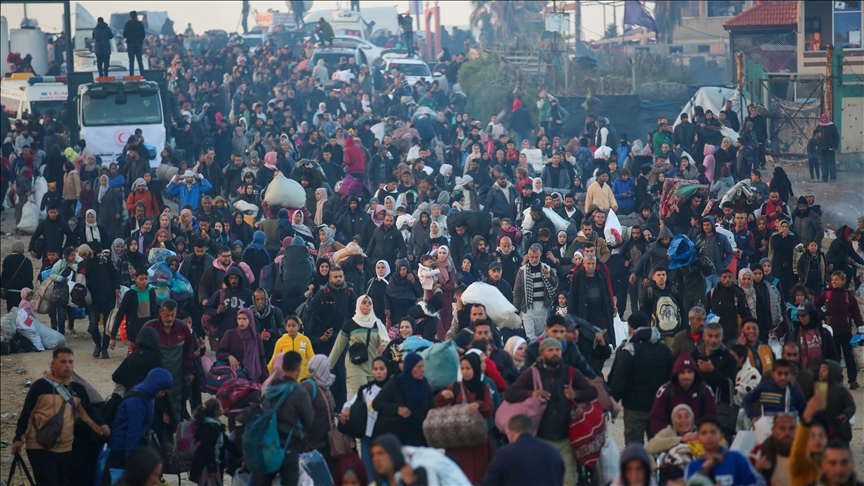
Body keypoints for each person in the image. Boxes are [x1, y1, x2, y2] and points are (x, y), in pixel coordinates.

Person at [503, 338, 598, 486]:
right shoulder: (532, 373)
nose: (554, 353)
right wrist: (531, 394)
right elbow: (509, 393)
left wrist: (576, 394)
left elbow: (592, 392)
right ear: (541, 354)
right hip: (541, 439)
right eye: (550, 350)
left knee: (569, 480)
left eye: (557, 350)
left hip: (566, 439)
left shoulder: (571, 373)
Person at [12, 347, 110, 486]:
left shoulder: (77, 390)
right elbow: (27, 414)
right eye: (63, 362)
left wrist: (101, 427)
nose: (68, 366)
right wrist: (19, 439)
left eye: (70, 362)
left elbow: (88, 413)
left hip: (65, 448)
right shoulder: (40, 386)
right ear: (53, 364)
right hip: (39, 446)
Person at [609, 312, 673, 445]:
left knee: (634, 449)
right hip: (659, 407)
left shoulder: (629, 350)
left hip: (634, 408)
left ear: (630, 327)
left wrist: (612, 403)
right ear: (649, 325)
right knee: (659, 448)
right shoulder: (664, 349)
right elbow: (671, 379)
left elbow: (619, 380)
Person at [102, 368, 173, 485]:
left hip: (126, 446)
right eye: (163, 391)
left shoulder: (146, 394)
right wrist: (131, 460)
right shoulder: (137, 401)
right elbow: (133, 432)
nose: (163, 394)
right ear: (155, 387)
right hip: (121, 448)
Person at [433, 353, 494, 482]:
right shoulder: (454, 387)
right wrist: (442, 396)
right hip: (458, 440)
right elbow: (440, 408)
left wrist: (479, 404)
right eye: (462, 368)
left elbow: (489, 410)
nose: (465, 372)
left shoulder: (483, 388)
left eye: (468, 368)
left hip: (477, 442)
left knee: (478, 477)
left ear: (475, 369)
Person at [257, 351, 315, 485]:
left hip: (269, 443)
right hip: (289, 444)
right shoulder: (299, 392)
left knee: (265, 480)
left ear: (282, 367)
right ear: (299, 368)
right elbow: (309, 419)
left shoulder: (271, 388)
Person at [140, 300, 196, 429]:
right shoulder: (149, 327)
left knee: (175, 409)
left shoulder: (183, 328)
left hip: (176, 377)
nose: (170, 319)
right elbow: (140, 353)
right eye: (166, 315)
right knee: (154, 408)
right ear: (160, 312)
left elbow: (188, 352)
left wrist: (189, 371)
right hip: (154, 378)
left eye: (173, 315)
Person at [329, 295, 390, 400]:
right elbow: (338, 347)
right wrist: (327, 366)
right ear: (358, 305)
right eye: (364, 302)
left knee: (373, 399)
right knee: (361, 398)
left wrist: (384, 345)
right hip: (356, 365)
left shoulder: (378, 323)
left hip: (374, 366)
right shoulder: (349, 324)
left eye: (369, 303)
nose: (367, 305)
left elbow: (386, 340)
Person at [482, 413, 565, 486]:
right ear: (534, 432)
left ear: (511, 433)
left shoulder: (504, 454)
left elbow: (490, 483)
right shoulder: (553, 452)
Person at [814, 271, 863, 389]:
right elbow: (815, 306)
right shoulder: (827, 294)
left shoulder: (848, 296)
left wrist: (861, 326)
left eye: (836, 279)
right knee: (834, 357)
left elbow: (856, 313)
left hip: (846, 332)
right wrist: (824, 316)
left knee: (849, 356)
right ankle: (837, 379)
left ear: (843, 281)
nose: (834, 282)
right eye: (832, 280)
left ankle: (852, 380)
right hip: (831, 332)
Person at [373, 352, 433, 446]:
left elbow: (430, 405)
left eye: (423, 366)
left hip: (421, 434)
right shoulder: (396, 383)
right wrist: (397, 409)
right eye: (418, 367)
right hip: (399, 434)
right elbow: (377, 403)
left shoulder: (424, 384)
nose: (422, 370)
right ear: (409, 368)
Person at [650, 354, 718, 434]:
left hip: (698, 436)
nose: (686, 376)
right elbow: (656, 419)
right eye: (682, 372)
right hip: (670, 436)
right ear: (676, 374)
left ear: (695, 373)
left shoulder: (705, 390)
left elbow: (712, 419)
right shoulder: (665, 391)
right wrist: (667, 437)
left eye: (690, 372)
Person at [684, 416, 762, 485]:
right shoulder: (693, 465)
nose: (708, 436)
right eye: (704, 433)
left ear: (721, 436)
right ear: (698, 438)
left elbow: (758, 483)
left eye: (713, 432)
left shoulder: (737, 458)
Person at [189, 398, 240, 485]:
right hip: (206, 464)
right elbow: (208, 448)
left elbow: (226, 442)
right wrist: (211, 468)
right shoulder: (208, 427)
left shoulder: (216, 425)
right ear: (216, 411)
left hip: (214, 462)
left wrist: (239, 455)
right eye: (221, 407)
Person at [513, 243, 559, 341]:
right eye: (532, 257)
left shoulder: (546, 268)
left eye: (536, 257)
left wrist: (549, 277)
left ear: (540, 255)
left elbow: (555, 282)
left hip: (542, 306)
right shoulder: (522, 271)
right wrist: (516, 309)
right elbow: (517, 292)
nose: (534, 260)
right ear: (528, 257)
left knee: (541, 333)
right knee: (530, 334)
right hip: (527, 307)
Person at [646, 404, 701, 482]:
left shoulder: (700, 433)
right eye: (679, 417)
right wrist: (681, 439)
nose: (683, 421)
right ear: (673, 420)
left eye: (687, 417)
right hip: (672, 472)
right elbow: (651, 447)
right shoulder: (668, 432)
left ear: (692, 419)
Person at [215, 308, 266, 382]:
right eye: (239, 318)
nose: (241, 321)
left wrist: (266, 381)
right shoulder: (230, 334)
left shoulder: (256, 338)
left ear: (250, 320)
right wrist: (229, 356)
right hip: (234, 377)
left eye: (244, 319)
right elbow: (219, 353)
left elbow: (262, 359)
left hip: (252, 378)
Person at [790, 395, 828, 486]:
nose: (817, 439)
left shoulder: (832, 465)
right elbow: (798, 452)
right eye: (812, 436)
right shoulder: (801, 464)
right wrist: (807, 418)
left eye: (821, 435)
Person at [749, 413, 797, 486]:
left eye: (791, 428)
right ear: (773, 430)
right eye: (782, 428)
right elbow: (745, 481)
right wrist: (757, 469)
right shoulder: (758, 452)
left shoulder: (808, 451)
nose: (787, 433)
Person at [268, 315, 313, 380]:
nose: (291, 328)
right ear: (286, 327)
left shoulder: (305, 340)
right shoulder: (281, 341)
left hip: (303, 376)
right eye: (289, 326)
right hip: (286, 377)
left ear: (298, 326)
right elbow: (274, 358)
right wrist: (266, 371)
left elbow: (311, 357)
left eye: (293, 325)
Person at [1, 240, 33, 312]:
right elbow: (30, 277)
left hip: (11, 291)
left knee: (11, 312)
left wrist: (2, 287)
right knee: (23, 313)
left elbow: (4, 275)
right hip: (24, 292)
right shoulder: (27, 261)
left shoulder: (8, 259)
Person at [123, 11, 145, 75]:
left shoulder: (127, 24)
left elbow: (124, 35)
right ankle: (142, 74)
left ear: (130, 16)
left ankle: (131, 74)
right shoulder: (140, 24)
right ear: (136, 16)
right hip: (138, 43)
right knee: (140, 60)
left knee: (131, 60)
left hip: (130, 43)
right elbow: (143, 34)